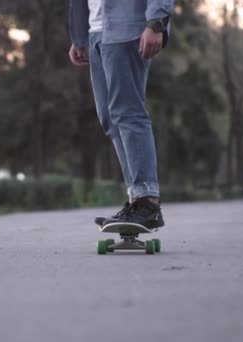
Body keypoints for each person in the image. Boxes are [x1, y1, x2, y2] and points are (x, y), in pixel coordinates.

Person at [68, 0, 174, 229]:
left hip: (128, 29)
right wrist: (79, 36)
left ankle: (147, 200)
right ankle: (137, 198)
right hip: (96, 31)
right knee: (110, 118)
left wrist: (156, 23)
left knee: (128, 113)